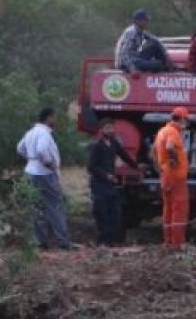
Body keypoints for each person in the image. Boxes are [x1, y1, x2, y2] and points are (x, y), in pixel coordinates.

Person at [16, 107, 73, 250]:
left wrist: (31, 159)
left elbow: (19, 148)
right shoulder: (44, 133)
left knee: (37, 207)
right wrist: (48, 163)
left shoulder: (30, 132)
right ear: (48, 118)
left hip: (30, 171)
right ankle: (63, 242)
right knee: (55, 206)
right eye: (55, 117)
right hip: (44, 174)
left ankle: (40, 242)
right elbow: (41, 150)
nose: (56, 120)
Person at [87, 119, 138, 246]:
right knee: (101, 213)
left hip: (110, 184)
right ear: (101, 130)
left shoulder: (114, 143)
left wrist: (137, 167)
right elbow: (91, 167)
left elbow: (125, 156)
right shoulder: (97, 146)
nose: (111, 131)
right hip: (99, 184)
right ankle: (102, 241)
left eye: (112, 128)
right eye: (108, 128)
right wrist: (105, 175)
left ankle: (110, 240)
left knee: (115, 213)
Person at [153, 107, 190, 248]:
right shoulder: (173, 132)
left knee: (168, 209)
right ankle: (177, 243)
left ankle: (168, 240)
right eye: (186, 119)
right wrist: (176, 161)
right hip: (176, 177)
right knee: (179, 209)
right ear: (181, 119)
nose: (186, 122)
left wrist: (159, 168)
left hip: (166, 176)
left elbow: (153, 150)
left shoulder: (162, 131)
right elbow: (169, 147)